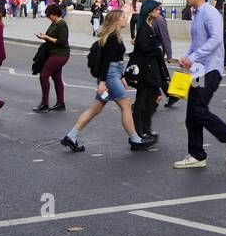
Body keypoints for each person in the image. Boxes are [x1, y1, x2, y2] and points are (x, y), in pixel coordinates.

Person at [59, 11, 158, 153]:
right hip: (110, 76)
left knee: (96, 109)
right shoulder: (112, 38)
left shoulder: (114, 36)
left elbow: (114, 59)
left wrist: (122, 76)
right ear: (116, 21)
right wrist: (103, 82)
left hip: (113, 74)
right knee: (126, 105)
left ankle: (71, 136)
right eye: (123, 17)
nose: (126, 20)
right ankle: (135, 139)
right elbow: (106, 62)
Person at [173, 0, 226, 169]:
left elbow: (215, 39)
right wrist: (187, 56)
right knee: (192, 114)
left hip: (210, 70)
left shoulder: (210, 12)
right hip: (199, 71)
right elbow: (197, 42)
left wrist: (194, 56)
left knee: (198, 110)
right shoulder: (195, 13)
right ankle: (197, 155)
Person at [131, 0, 170, 141]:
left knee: (155, 97)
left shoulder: (150, 26)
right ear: (150, 11)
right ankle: (138, 131)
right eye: (157, 9)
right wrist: (157, 49)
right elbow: (145, 49)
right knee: (141, 101)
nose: (160, 11)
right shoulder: (143, 29)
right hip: (145, 71)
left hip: (151, 70)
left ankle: (145, 127)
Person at [32, 4, 70, 112]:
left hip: (60, 54)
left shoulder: (62, 24)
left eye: (49, 15)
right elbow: (51, 38)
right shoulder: (54, 23)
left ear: (54, 14)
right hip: (54, 53)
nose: (48, 17)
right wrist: (43, 36)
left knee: (44, 75)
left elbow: (62, 41)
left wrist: (46, 37)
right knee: (56, 78)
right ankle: (60, 103)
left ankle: (45, 104)